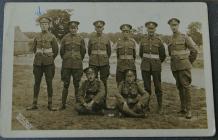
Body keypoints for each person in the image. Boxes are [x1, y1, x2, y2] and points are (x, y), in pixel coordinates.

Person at [167, 18, 198, 119]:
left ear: (178, 25)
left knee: (186, 87)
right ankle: (183, 108)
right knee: (179, 87)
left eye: (175, 25)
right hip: (175, 67)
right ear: (170, 27)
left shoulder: (184, 37)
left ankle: (189, 110)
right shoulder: (171, 38)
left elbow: (194, 50)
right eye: (172, 25)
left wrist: (188, 62)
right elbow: (171, 52)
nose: (173, 27)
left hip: (184, 66)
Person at [27, 16, 59, 111]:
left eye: (45, 24)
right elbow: (34, 49)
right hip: (37, 63)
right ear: (40, 25)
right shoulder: (36, 37)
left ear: (49, 25)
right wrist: (39, 57)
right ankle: (34, 104)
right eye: (42, 24)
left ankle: (50, 104)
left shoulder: (52, 37)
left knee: (49, 83)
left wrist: (49, 58)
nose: (44, 26)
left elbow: (56, 51)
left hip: (49, 64)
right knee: (36, 83)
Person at [139, 21, 166, 113]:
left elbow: (163, 55)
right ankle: (146, 106)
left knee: (158, 87)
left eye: (152, 29)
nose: (151, 30)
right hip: (145, 66)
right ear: (147, 29)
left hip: (156, 67)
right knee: (147, 88)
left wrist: (157, 62)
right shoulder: (142, 40)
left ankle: (160, 107)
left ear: (155, 29)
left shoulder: (159, 41)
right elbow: (141, 53)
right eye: (149, 28)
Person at [59, 21, 86, 110]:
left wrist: (78, 59)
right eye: (71, 28)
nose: (73, 30)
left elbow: (83, 52)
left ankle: (77, 104)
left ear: (77, 29)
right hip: (66, 64)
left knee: (77, 85)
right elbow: (61, 51)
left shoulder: (81, 39)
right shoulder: (65, 38)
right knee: (65, 84)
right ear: (69, 29)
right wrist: (66, 58)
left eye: (75, 28)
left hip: (77, 65)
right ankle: (63, 104)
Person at [88, 20, 111, 107]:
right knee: (93, 82)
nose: (99, 29)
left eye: (100, 27)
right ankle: (94, 103)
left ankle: (104, 103)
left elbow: (109, 52)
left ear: (103, 28)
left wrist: (105, 59)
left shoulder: (107, 38)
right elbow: (89, 51)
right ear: (95, 28)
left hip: (104, 63)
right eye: (97, 27)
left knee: (103, 82)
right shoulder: (91, 37)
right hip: (93, 63)